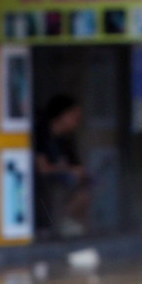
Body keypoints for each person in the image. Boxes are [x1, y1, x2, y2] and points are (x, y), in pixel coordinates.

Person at [33, 92, 91, 236]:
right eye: (74, 116)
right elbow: (42, 169)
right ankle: (55, 224)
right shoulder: (41, 134)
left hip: (63, 180)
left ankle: (67, 222)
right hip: (42, 182)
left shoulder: (67, 139)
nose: (77, 121)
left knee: (85, 187)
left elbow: (77, 166)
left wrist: (77, 172)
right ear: (62, 115)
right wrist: (66, 170)